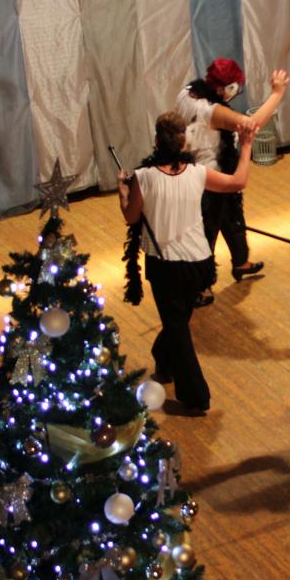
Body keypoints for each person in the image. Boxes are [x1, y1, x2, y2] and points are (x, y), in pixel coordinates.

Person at [118, 112, 254, 416]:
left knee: (177, 327)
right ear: (183, 142)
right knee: (178, 321)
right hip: (199, 263)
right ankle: (162, 358)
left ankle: (196, 396)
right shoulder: (198, 172)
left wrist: (123, 191)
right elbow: (238, 181)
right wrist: (246, 146)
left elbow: (131, 216)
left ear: (156, 140)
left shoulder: (143, 177)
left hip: (165, 265)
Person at [178, 59, 290, 307]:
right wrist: (277, 93)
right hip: (209, 178)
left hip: (213, 171)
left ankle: (241, 262)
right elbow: (251, 125)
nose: (237, 91)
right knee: (207, 232)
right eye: (235, 87)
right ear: (223, 88)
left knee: (232, 219)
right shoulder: (211, 111)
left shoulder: (188, 92)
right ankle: (201, 286)